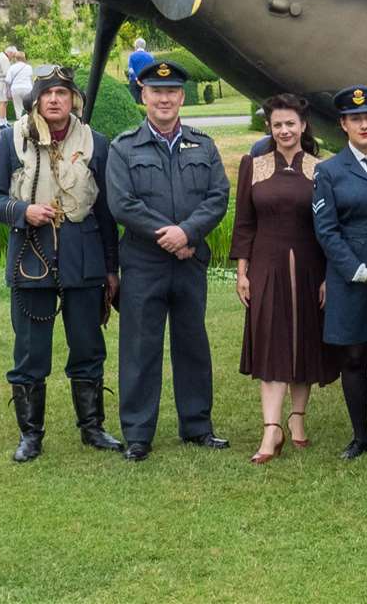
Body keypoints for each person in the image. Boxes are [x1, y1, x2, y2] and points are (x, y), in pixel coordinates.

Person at [0, 64, 123, 463]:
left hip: (84, 256)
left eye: (62, 93)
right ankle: (31, 436)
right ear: (36, 100)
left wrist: (112, 270)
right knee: (30, 352)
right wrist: (23, 211)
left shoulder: (97, 143)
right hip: (31, 255)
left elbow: (109, 213)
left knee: (89, 346)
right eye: (47, 94)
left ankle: (92, 428)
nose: (55, 100)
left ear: (73, 98)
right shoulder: (12, 141)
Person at [107, 59, 231, 461]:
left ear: (182, 96)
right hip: (144, 263)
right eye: (156, 92)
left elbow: (217, 197)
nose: (164, 98)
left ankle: (197, 426)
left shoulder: (204, 145)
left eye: (172, 92)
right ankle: (139, 433)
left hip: (190, 261)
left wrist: (189, 233)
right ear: (143, 95)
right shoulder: (124, 147)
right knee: (140, 347)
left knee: (192, 343)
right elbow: (122, 204)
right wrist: (172, 235)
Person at [231, 94, 340, 463]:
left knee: (304, 339)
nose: (284, 130)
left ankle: (297, 420)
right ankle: (270, 429)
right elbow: (244, 222)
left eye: (290, 123)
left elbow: (327, 227)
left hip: (311, 266)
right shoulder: (254, 165)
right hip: (265, 265)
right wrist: (242, 271)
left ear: (303, 126)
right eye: (277, 124)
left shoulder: (320, 168)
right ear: (269, 127)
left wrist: (328, 276)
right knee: (271, 340)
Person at [312, 85, 367, 459]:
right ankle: (359, 436)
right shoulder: (328, 171)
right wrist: (361, 272)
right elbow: (326, 230)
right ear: (343, 124)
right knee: (352, 356)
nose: (364, 125)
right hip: (352, 275)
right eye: (355, 119)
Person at [5, 51, 34, 119]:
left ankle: (20, 124)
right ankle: (28, 122)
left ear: (15, 58)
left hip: (16, 89)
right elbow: (31, 78)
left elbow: (8, 81)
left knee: (18, 108)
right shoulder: (28, 67)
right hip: (27, 88)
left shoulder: (12, 67)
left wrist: (7, 92)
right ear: (24, 58)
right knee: (28, 106)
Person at [126, 37, 154, 104]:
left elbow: (130, 70)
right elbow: (152, 70)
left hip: (134, 81)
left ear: (136, 46)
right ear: (144, 46)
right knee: (145, 101)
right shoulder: (150, 56)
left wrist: (137, 78)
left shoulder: (132, 56)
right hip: (146, 81)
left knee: (134, 101)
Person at [0, 45, 15, 129]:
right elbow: (7, 72)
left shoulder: (0, 56)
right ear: (10, 53)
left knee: (4, 102)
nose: (12, 58)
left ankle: (4, 121)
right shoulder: (4, 58)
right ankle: (1, 122)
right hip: (1, 81)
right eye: (12, 56)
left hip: (0, 81)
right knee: (2, 102)